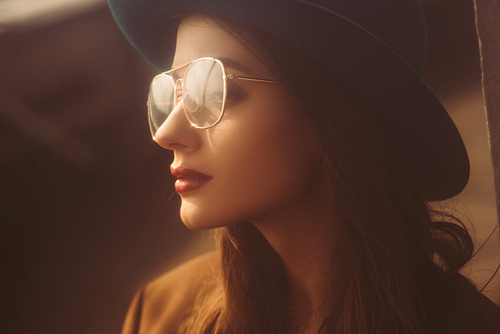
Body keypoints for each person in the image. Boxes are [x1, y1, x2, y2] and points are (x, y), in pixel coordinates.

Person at [108, 0, 500, 333]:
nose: (167, 133)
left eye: (212, 91)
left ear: (330, 119)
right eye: (171, 93)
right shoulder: (160, 314)